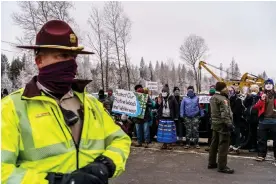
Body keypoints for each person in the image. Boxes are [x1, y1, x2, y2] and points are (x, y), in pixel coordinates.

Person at [1, 20, 131, 184]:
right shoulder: (11, 108)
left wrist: (106, 164)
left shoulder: (91, 104)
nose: (71, 63)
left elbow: (120, 139)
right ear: (39, 61)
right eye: (62, 56)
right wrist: (55, 182)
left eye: (73, 56)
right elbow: (3, 172)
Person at [208, 82, 234, 174]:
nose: (227, 89)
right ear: (222, 88)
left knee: (214, 143)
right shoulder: (223, 99)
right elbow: (225, 113)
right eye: (225, 87)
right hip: (223, 124)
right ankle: (222, 166)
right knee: (223, 144)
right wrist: (229, 124)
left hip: (215, 123)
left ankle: (211, 163)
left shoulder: (213, 97)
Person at [254, 79, 276, 162]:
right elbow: (255, 107)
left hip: (274, 121)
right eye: (267, 84)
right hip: (263, 121)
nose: (268, 85)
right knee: (261, 140)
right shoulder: (261, 95)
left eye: (270, 84)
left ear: (273, 85)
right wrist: (261, 99)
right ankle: (261, 155)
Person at [156, 84, 179, 150]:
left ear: (168, 92)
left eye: (165, 92)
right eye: (162, 92)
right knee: (163, 132)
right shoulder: (161, 98)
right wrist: (158, 102)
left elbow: (176, 107)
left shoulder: (172, 98)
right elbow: (157, 107)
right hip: (163, 117)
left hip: (170, 118)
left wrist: (176, 116)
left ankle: (169, 144)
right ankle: (164, 144)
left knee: (169, 132)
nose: (163, 93)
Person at [244, 84, 260, 152]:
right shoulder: (250, 97)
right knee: (253, 132)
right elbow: (245, 104)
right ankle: (254, 146)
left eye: (254, 90)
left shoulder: (259, 97)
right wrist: (248, 97)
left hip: (255, 117)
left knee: (256, 133)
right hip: (252, 117)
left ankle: (256, 146)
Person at [229, 86, 245, 151]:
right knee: (233, 131)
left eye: (231, 90)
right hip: (232, 117)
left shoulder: (237, 98)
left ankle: (237, 144)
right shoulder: (231, 98)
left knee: (236, 131)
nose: (230, 92)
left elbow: (239, 108)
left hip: (235, 117)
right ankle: (232, 144)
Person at [204, 86, 216, 151]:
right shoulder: (207, 98)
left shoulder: (216, 98)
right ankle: (209, 145)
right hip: (208, 117)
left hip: (214, 117)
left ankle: (213, 146)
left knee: (214, 132)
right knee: (209, 132)